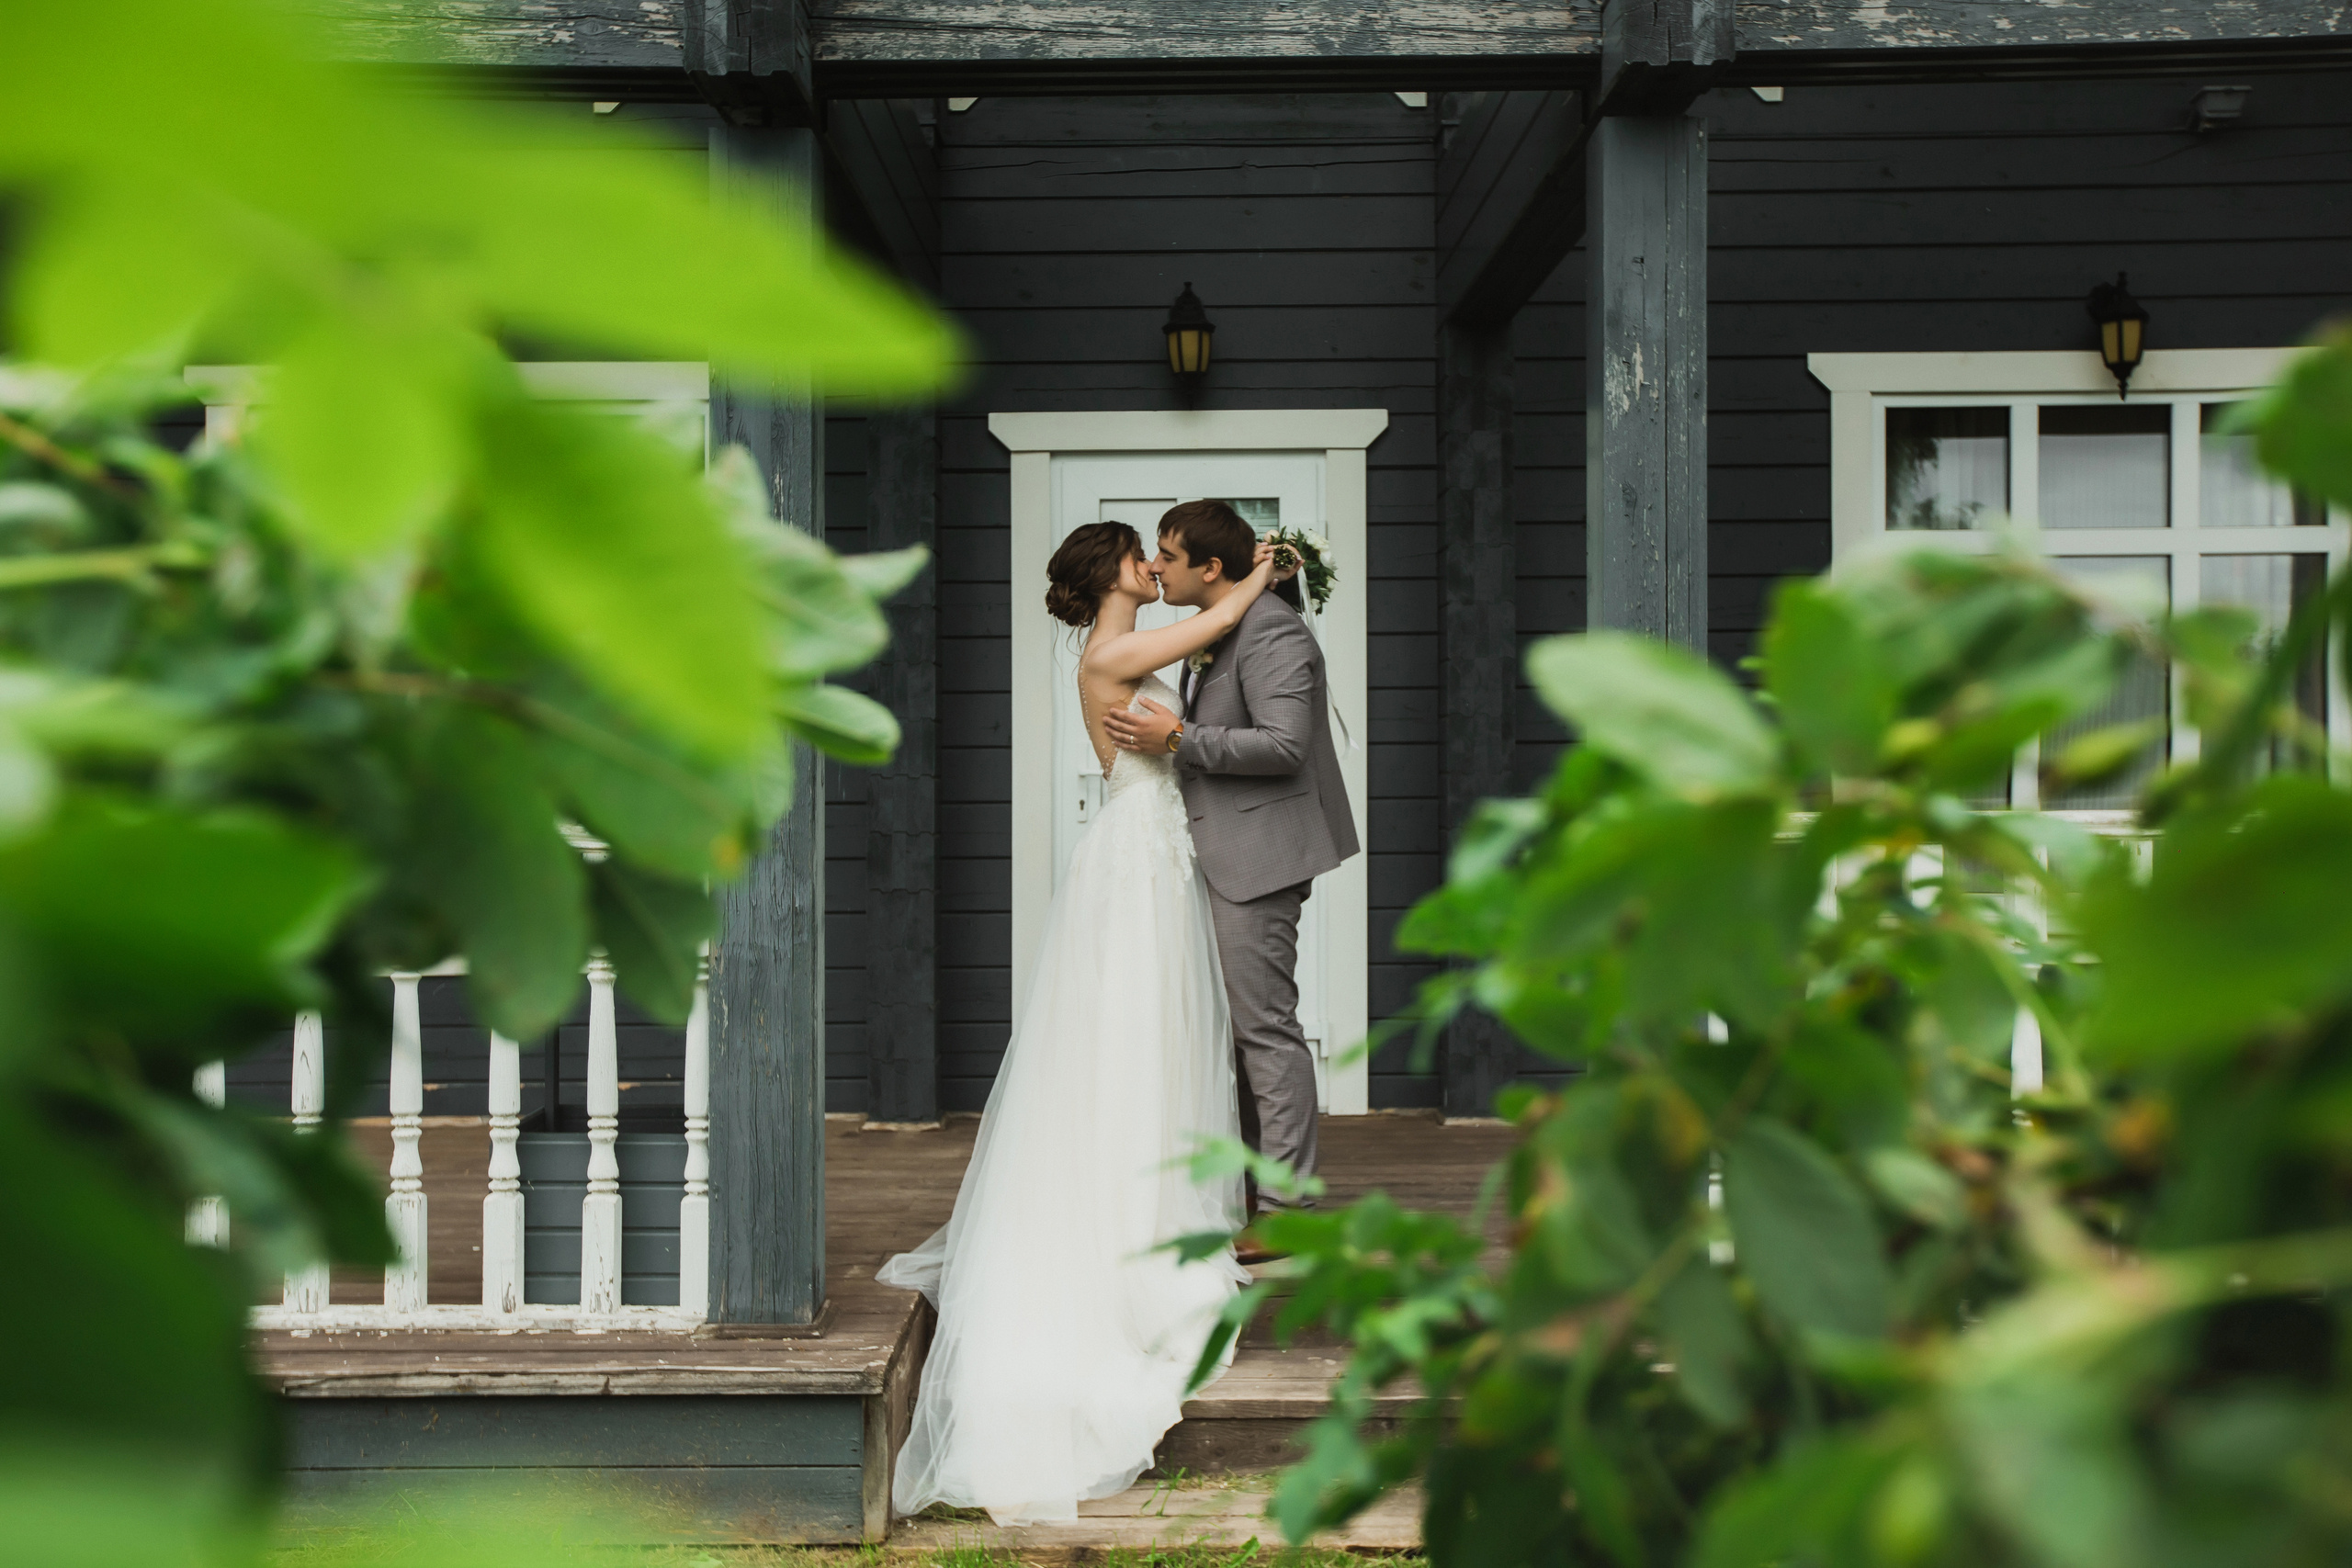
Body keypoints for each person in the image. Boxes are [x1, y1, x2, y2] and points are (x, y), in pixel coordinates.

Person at [876, 520, 1288, 1526]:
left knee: (1149, 1040)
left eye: (1161, 554)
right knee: (1130, 1037)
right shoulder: (1113, 649)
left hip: (1155, 850)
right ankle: (1129, 1224)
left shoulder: (1120, 647)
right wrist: (1265, 573)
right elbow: (1221, 617)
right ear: (1110, 574)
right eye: (1139, 556)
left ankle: (1152, 1190)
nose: (1155, 566)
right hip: (1136, 860)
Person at [1103, 501, 1360, 1263]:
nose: (1158, 566)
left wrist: (1178, 738)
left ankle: (1288, 1207)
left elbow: (1284, 745)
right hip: (1216, 850)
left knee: (1264, 1028)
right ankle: (1259, 1183)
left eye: (1169, 555)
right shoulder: (1216, 632)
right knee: (1232, 1031)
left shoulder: (1274, 632)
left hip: (1260, 857)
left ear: (1211, 569)